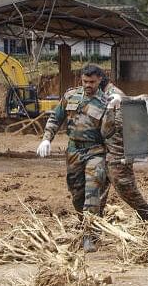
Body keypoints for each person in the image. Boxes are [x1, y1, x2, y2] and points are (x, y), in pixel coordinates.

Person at [36, 64, 108, 252]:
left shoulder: (106, 102)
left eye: (92, 82)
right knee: (77, 194)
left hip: (96, 152)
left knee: (92, 192)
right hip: (74, 151)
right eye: (85, 81)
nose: (88, 85)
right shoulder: (71, 96)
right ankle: (89, 222)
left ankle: (89, 235)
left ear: (100, 80)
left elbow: (115, 132)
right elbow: (55, 118)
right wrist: (46, 140)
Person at [97, 72, 148, 221]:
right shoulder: (104, 95)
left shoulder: (114, 95)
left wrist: (116, 157)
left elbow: (117, 130)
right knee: (97, 189)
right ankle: (94, 221)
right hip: (105, 152)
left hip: (116, 154)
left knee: (125, 188)